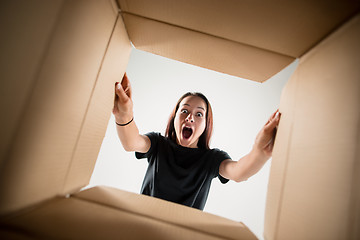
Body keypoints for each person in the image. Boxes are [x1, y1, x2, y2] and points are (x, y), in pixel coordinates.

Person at [113, 73, 281, 210]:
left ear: (206, 125)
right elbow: (131, 142)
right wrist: (124, 114)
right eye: (184, 110)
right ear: (174, 118)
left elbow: (238, 172)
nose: (190, 117)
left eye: (199, 114)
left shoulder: (212, 159)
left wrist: (260, 152)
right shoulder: (158, 144)